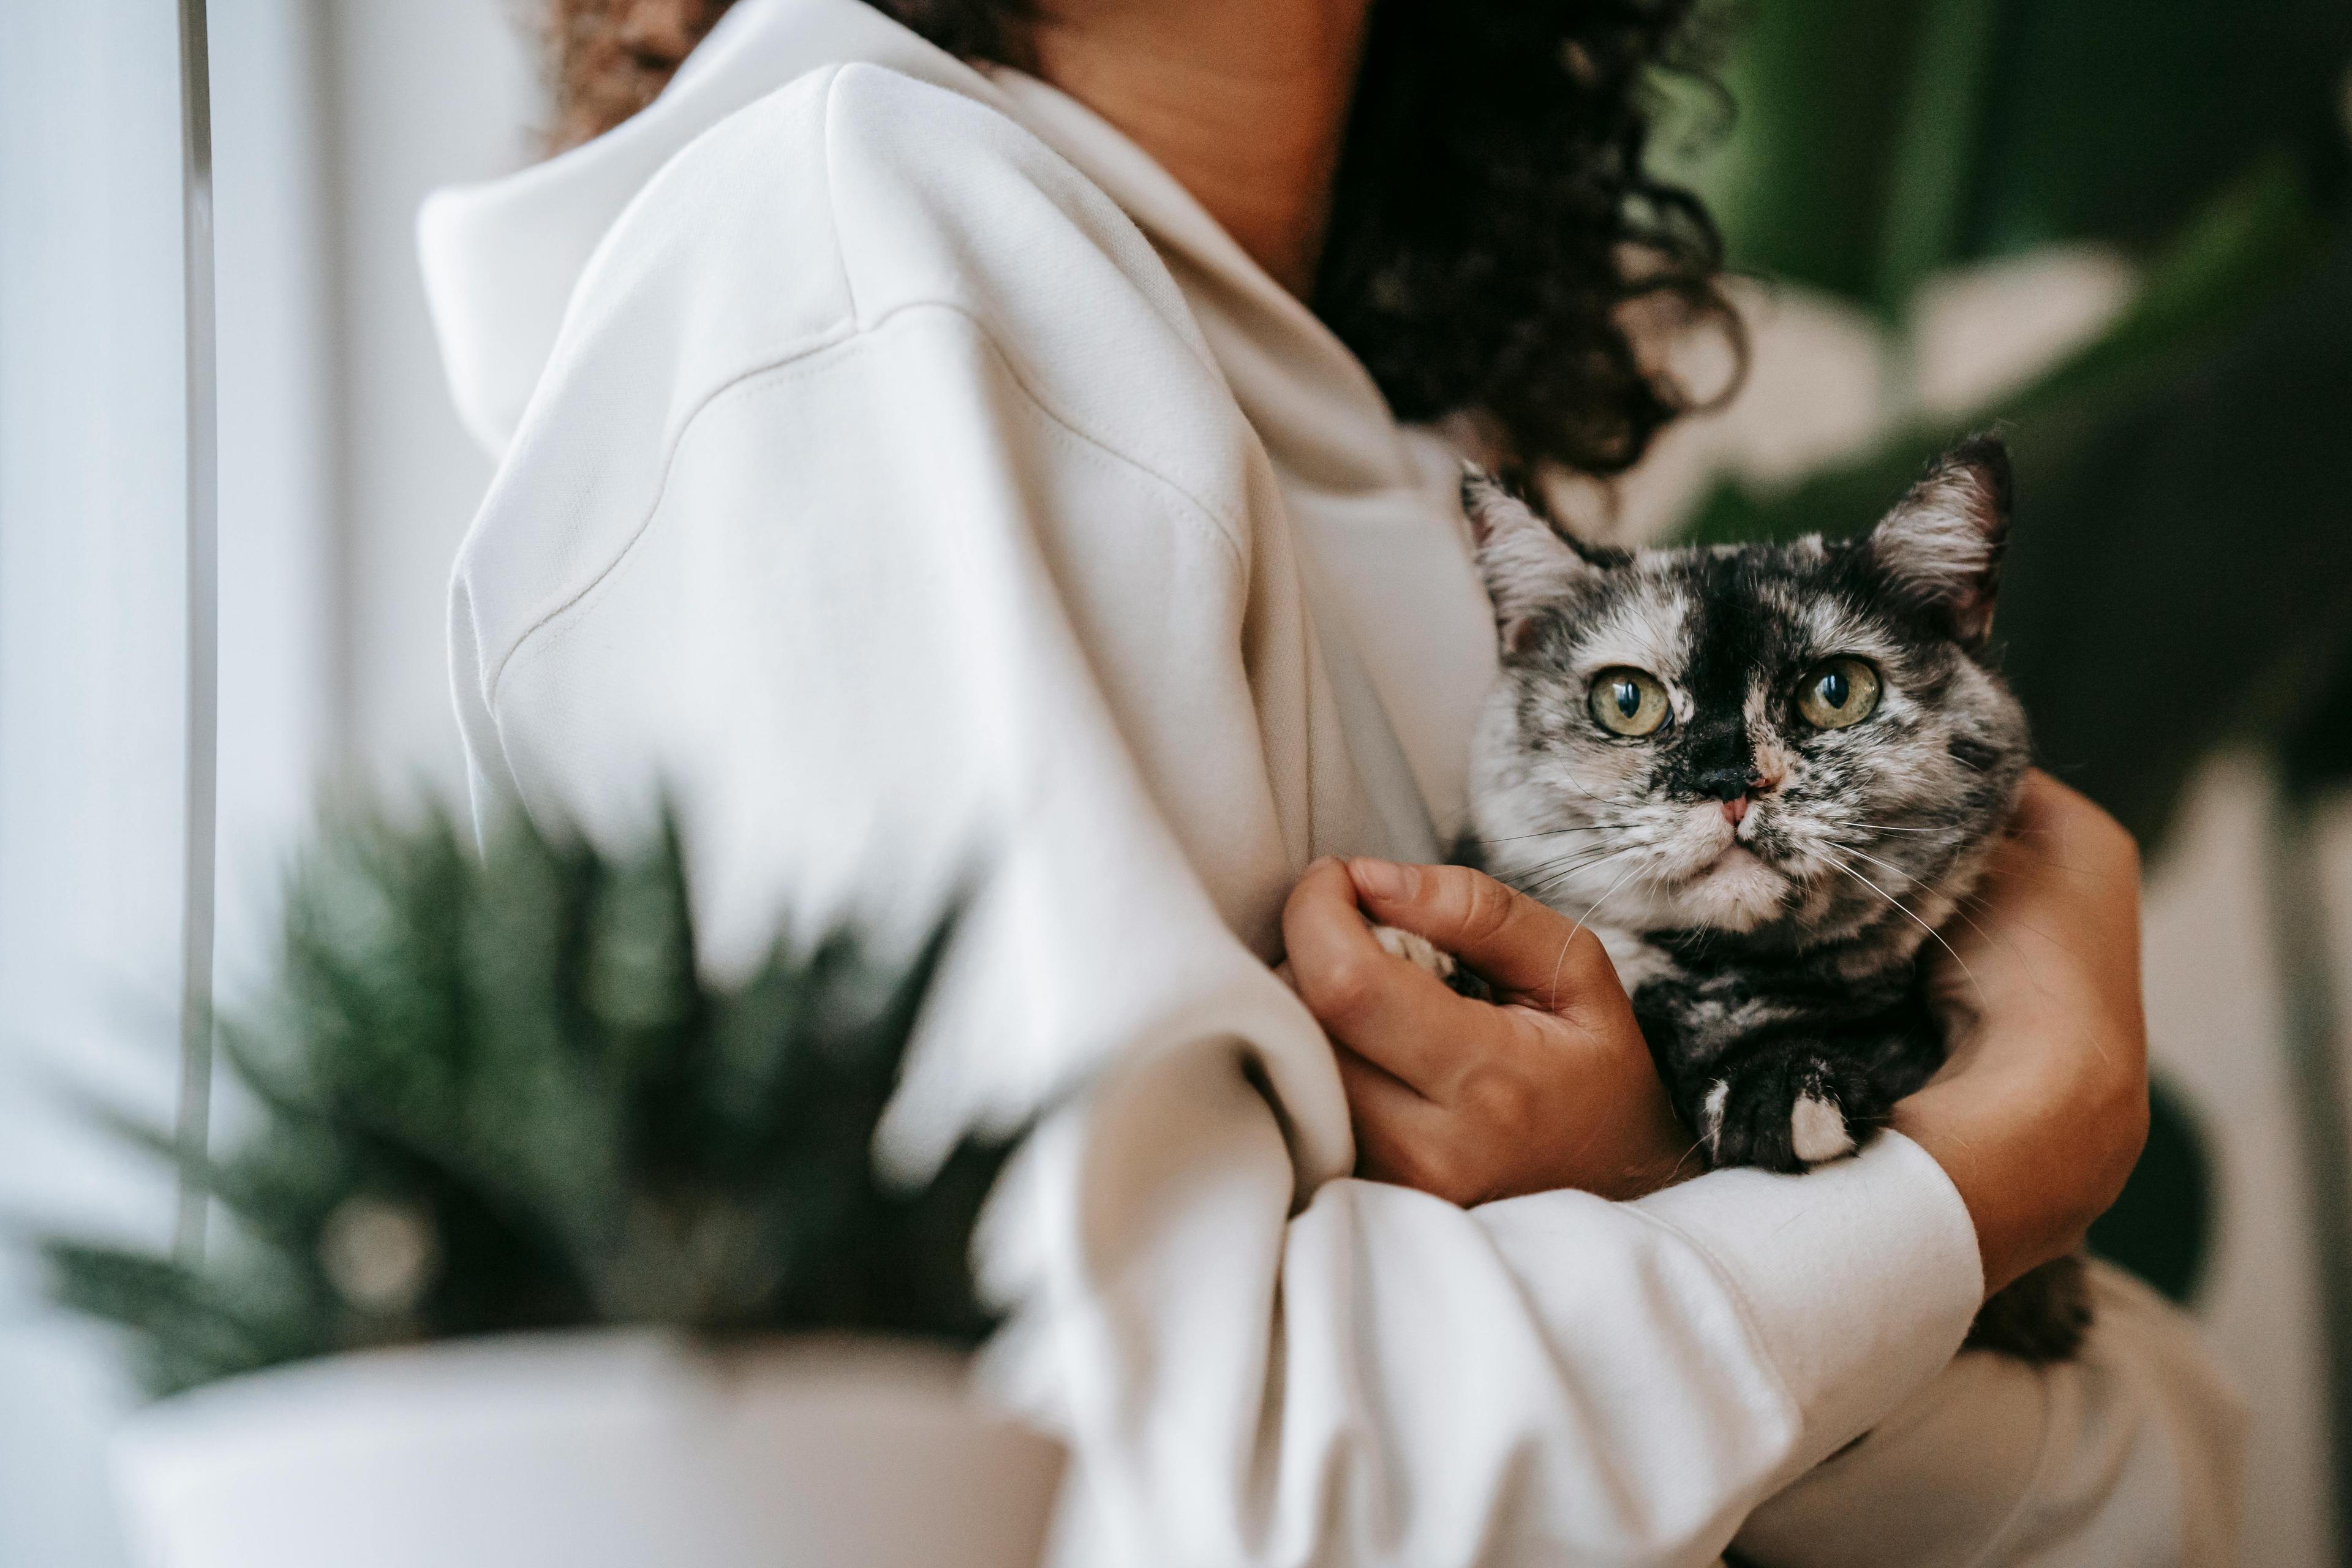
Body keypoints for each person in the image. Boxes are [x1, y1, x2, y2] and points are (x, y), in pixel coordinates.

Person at [420, 0, 2243, 1560]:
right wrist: (1972, 1181)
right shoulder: (850, 266)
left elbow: (2182, 1490)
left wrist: (1692, 1191)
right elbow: (1151, 1501)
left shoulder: (1424, 472)